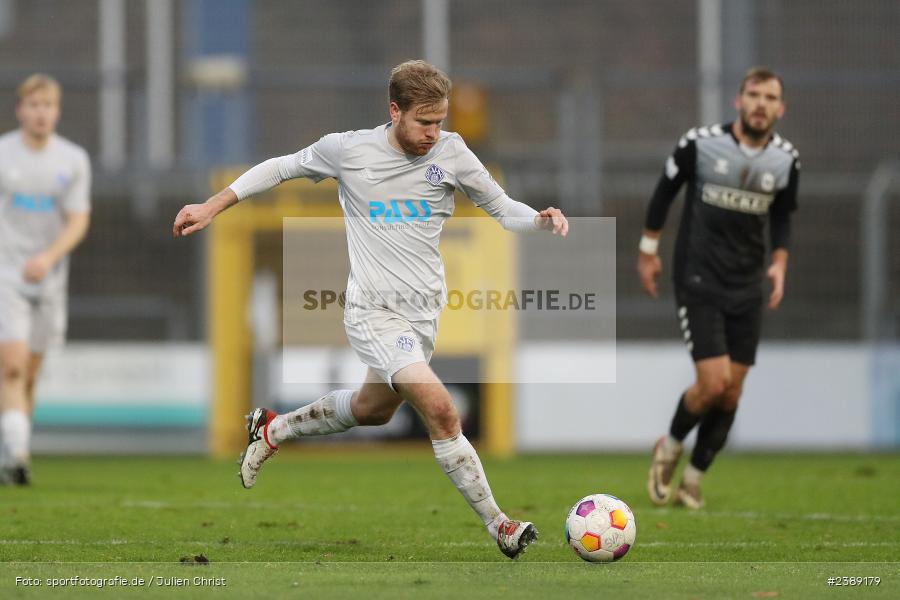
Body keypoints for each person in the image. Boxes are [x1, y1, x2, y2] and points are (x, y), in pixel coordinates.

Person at [173, 60, 568, 558]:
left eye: (439, 122)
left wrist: (539, 219)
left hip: (421, 317)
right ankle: (501, 525)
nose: (432, 133)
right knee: (442, 410)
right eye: (423, 122)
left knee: (372, 410)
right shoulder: (348, 150)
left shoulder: (453, 153)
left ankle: (273, 428)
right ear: (395, 111)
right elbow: (280, 167)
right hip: (373, 312)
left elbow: (503, 208)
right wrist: (212, 205)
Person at [640, 67, 799, 509]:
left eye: (770, 97)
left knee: (732, 391)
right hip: (699, 278)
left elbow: (782, 217)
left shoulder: (786, 160)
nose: (761, 104)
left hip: (746, 284)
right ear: (739, 100)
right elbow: (664, 193)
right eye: (754, 94)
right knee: (712, 383)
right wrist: (648, 252)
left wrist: (779, 263)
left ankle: (693, 479)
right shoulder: (700, 144)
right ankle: (670, 448)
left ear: (780, 108)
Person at [0, 74, 91, 485]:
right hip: (7, 274)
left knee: (31, 374)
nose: (41, 113)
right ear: (20, 110)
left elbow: (78, 219)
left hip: (50, 280)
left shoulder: (72, 160)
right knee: (12, 367)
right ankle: (18, 455)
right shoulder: (4, 154)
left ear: (57, 111)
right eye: (34, 105)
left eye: (48, 105)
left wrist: (49, 257)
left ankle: (13, 449)